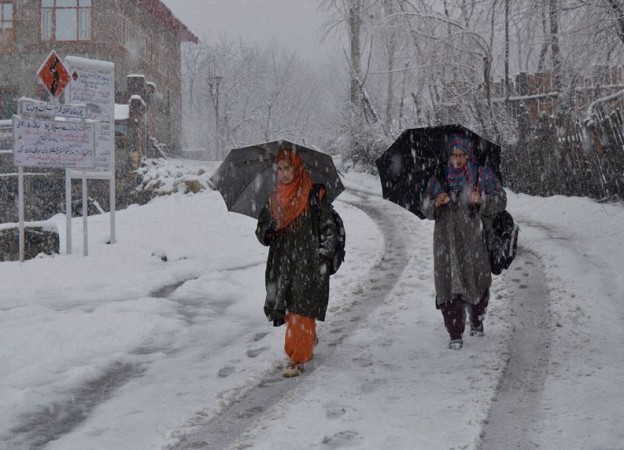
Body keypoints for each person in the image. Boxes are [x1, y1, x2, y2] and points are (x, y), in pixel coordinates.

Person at [255, 147, 338, 377]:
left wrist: (324, 253)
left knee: (302, 309)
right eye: (280, 169)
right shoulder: (273, 199)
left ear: (298, 167)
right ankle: (306, 339)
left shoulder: (313, 193)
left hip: (308, 263)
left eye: (288, 168)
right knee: (290, 309)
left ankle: (297, 358)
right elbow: (261, 232)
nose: (283, 173)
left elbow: (328, 225)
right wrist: (268, 229)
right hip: (282, 265)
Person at [421, 134, 507, 350]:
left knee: (477, 279)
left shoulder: (480, 175)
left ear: (468, 156)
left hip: (473, 240)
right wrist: (435, 203)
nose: (457, 160)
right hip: (445, 242)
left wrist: (483, 200)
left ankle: (477, 320)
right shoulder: (437, 178)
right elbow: (425, 208)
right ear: (448, 156)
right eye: (453, 155)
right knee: (449, 284)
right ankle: (455, 332)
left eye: (461, 155)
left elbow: (502, 200)